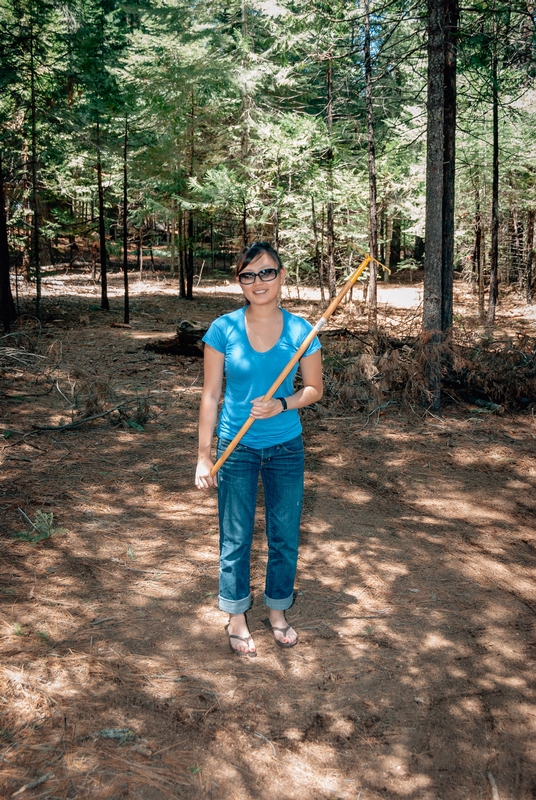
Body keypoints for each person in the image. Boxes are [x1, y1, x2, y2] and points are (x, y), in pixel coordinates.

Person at [195, 241, 323, 656]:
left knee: (284, 535)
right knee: (235, 538)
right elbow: (211, 396)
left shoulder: (303, 331)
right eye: (248, 275)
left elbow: (314, 390)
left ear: (281, 276)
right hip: (237, 447)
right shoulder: (223, 329)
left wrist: (281, 404)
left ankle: (277, 611)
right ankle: (235, 615)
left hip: (286, 447)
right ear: (240, 282)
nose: (258, 281)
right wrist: (203, 455)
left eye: (266, 272)